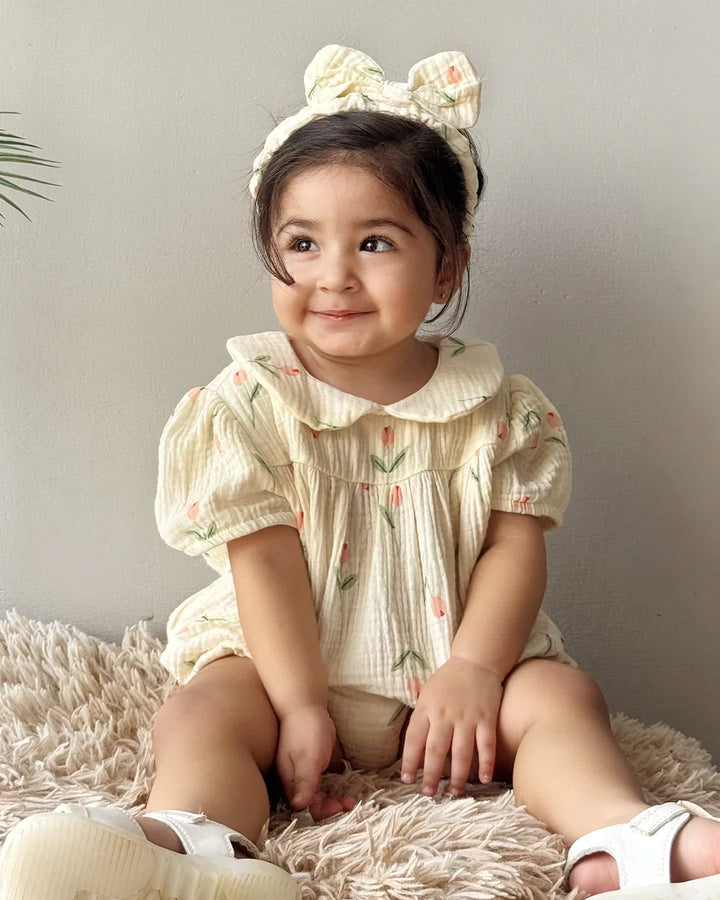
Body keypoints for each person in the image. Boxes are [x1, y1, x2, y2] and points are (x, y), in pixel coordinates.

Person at [1, 44, 719, 900]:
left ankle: (619, 844)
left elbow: (513, 550)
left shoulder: (501, 407)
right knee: (201, 710)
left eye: (375, 241)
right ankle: (194, 843)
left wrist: (477, 673)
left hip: (456, 673)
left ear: (446, 266)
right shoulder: (251, 401)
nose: (332, 276)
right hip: (282, 663)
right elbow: (260, 558)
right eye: (301, 244)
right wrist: (301, 705)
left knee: (564, 698)